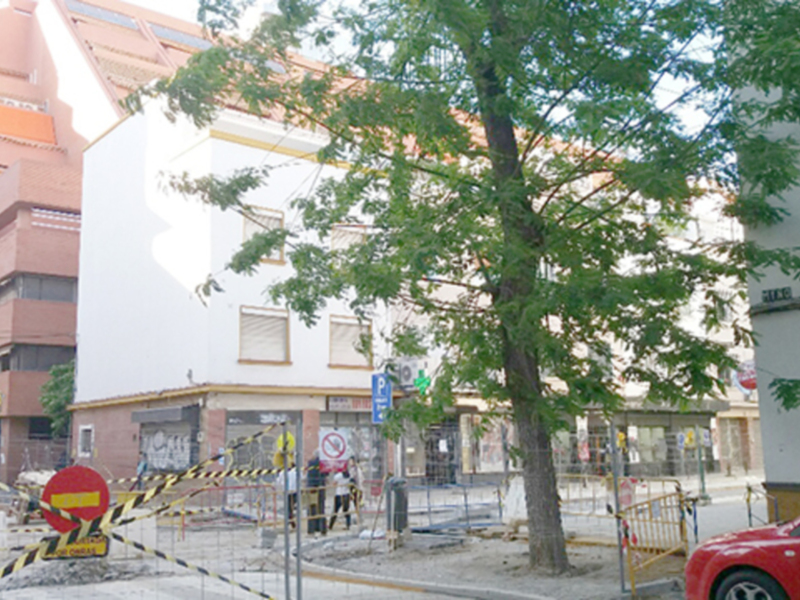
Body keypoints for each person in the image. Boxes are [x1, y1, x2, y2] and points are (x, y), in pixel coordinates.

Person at [306, 450, 327, 536]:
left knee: (312, 509)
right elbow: (326, 474)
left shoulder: (311, 463)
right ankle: (323, 529)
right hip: (321, 487)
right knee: (321, 509)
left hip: (312, 488)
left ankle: (311, 529)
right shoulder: (324, 463)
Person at [329, 466, 351, 530]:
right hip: (346, 493)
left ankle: (330, 525)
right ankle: (348, 524)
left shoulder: (338, 476)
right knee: (346, 510)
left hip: (339, 494)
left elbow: (334, 484)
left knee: (335, 510)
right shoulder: (348, 475)